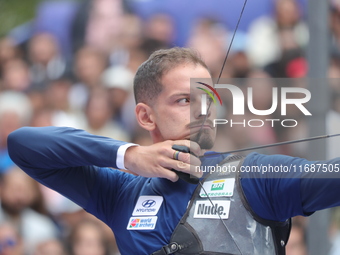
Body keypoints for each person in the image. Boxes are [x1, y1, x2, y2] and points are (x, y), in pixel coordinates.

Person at [7, 47, 340, 255]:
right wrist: (129, 155)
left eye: (208, 99)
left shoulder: (255, 175)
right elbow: (23, 144)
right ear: (145, 115)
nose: (202, 111)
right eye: (184, 100)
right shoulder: (122, 191)